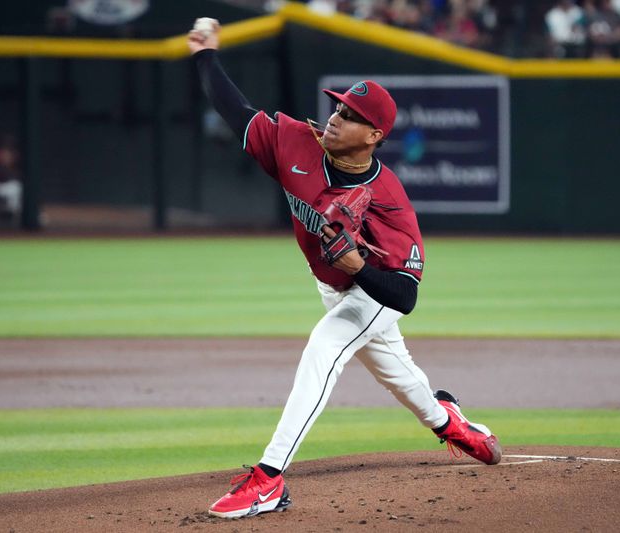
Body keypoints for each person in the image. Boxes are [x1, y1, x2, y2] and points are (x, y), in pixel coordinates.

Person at [188, 18, 502, 520]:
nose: (336, 117)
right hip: (332, 285)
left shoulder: (390, 201)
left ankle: (268, 480)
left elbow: (404, 297)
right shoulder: (294, 142)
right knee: (401, 380)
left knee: (324, 350)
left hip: (373, 292)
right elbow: (235, 111)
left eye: (351, 115)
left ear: (374, 134)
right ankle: (451, 422)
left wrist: (358, 266)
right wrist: (205, 55)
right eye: (337, 106)